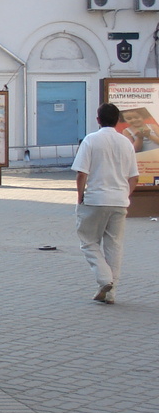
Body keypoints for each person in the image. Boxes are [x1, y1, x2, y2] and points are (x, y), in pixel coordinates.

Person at [72, 103, 138, 305]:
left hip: (95, 199)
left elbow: (82, 173)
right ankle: (110, 292)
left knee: (88, 241)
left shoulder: (91, 140)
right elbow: (134, 177)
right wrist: (124, 194)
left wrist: (80, 196)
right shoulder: (127, 143)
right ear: (118, 120)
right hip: (119, 201)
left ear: (98, 119)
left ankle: (104, 279)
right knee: (114, 246)